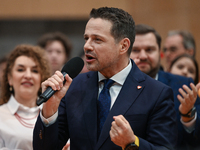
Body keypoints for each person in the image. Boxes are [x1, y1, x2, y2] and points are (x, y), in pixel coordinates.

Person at [33, 7, 177, 150]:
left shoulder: (157, 93)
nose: (87, 46)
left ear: (123, 46)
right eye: (86, 38)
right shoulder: (73, 87)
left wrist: (132, 143)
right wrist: (49, 109)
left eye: (97, 39)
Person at [130, 24, 200, 150]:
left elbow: (195, 141)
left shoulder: (183, 85)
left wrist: (188, 116)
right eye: (135, 50)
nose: (143, 56)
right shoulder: (113, 85)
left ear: (160, 53)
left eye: (149, 49)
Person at [0, 45, 51, 149]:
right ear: (9, 78)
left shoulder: (52, 114)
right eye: (20, 69)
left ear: (42, 79)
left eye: (35, 71)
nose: (28, 75)